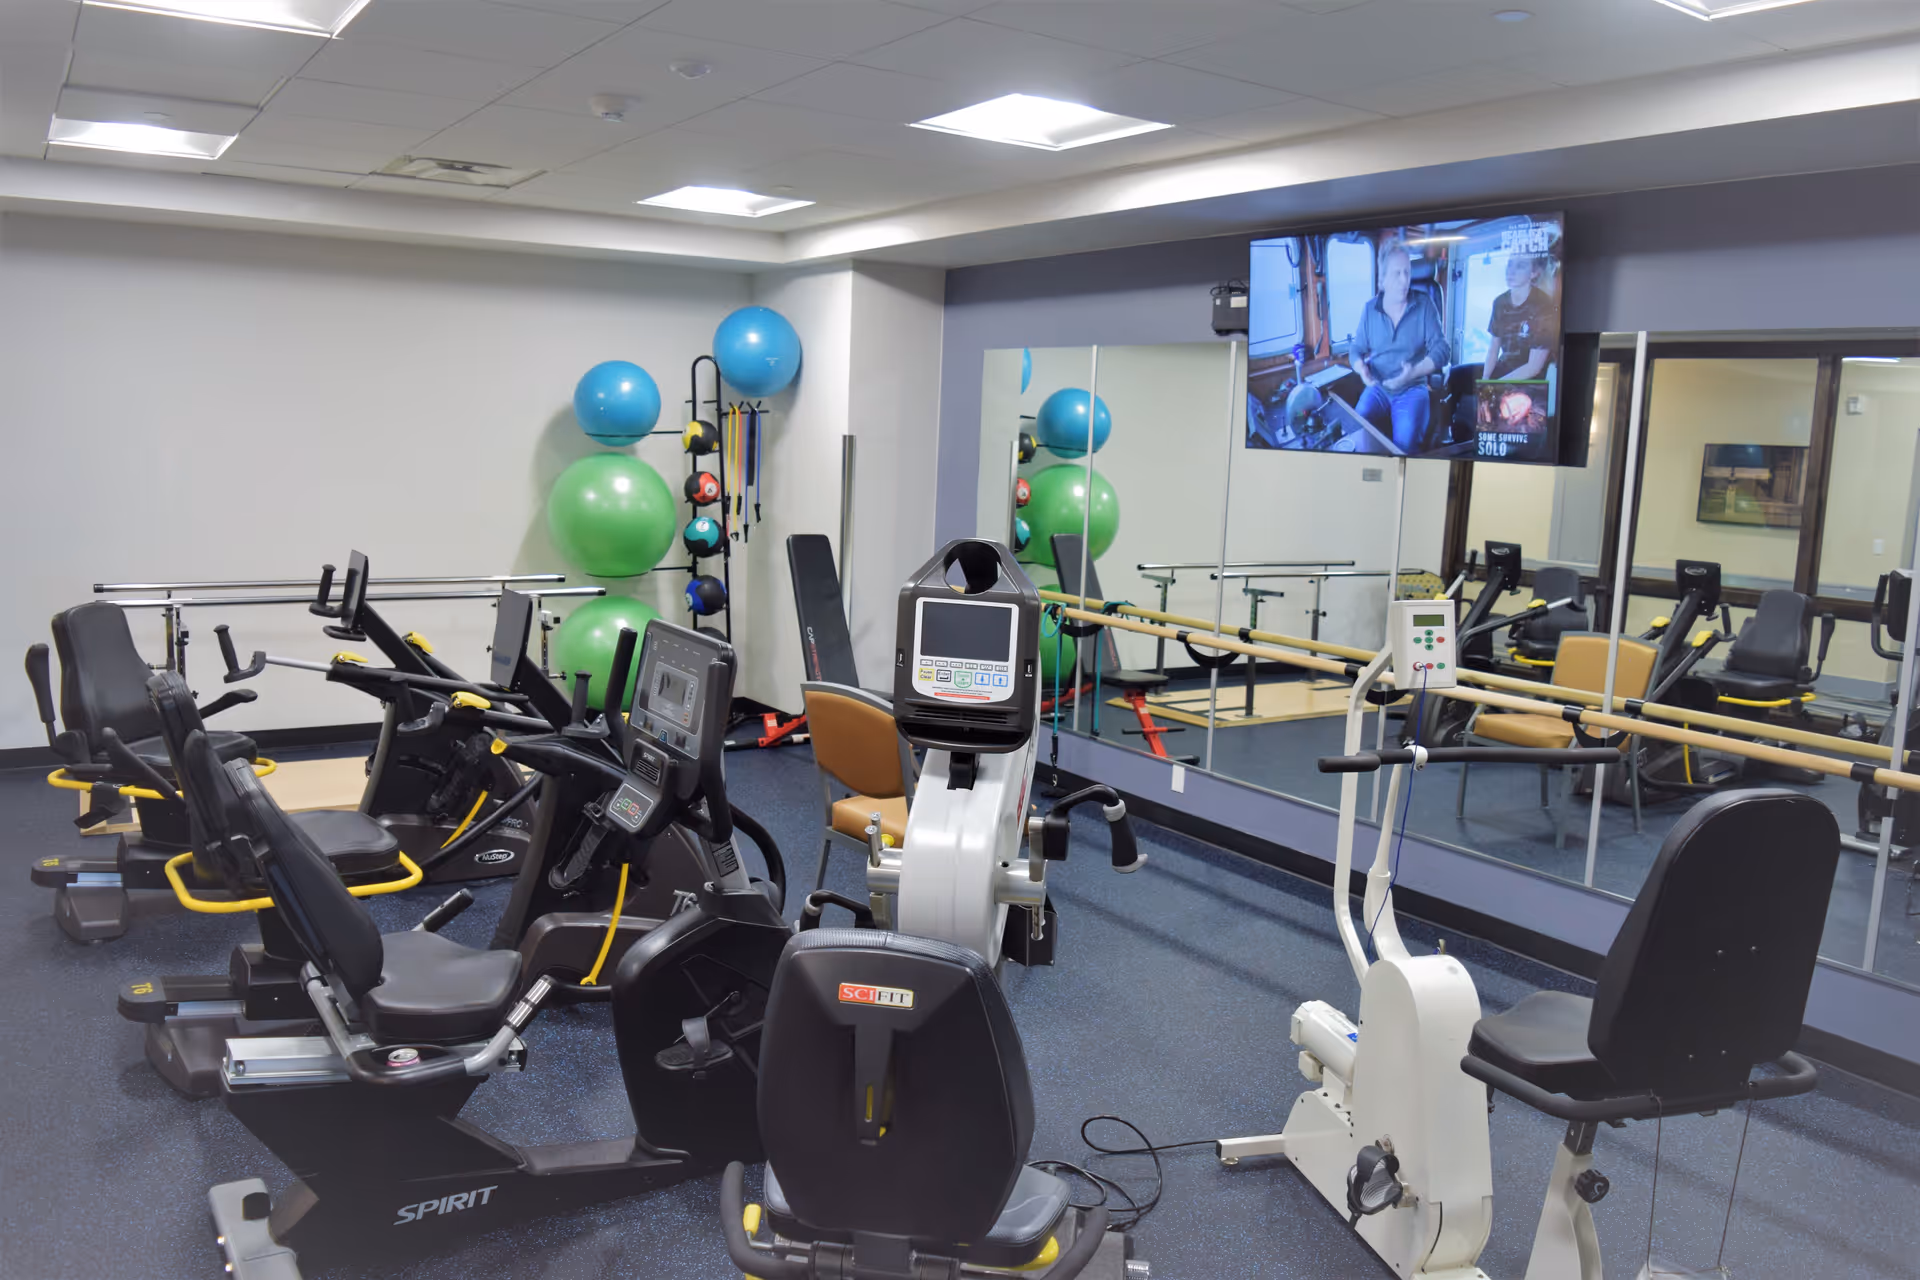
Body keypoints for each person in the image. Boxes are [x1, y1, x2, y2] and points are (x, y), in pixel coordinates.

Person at [1350, 242, 1449, 454]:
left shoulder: (1424, 305)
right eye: (1397, 274)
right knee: (1355, 429)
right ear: (1382, 280)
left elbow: (1442, 350)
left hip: (1412, 388)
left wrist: (1414, 372)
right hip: (1378, 387)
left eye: (1407, 272)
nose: (1405, 280)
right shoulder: (1369, 309)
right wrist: (1362, 369)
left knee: (1402, 448)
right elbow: (1356, 349)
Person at [1482, 253, 1556, 382]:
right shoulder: (1499, 303)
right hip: (1504, 371)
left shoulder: (1543, 305)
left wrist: (1496, 386)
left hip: (1532, 382)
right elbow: (1494, 348)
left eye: (1520, 266)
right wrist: (1484, 381)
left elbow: (1534, 367)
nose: (1511, 271)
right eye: (1510, 264)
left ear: (1533, 273)